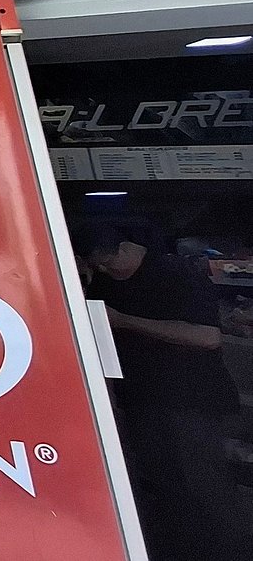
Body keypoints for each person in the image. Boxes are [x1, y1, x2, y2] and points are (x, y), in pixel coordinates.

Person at [76, 225, 247, 561]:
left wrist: (124, 321)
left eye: (109, 263)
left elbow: (207, 337)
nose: (107, 271)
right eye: (98, 267)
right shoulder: (105, 283)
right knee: (162, 488)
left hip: (190, 400)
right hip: (140, 399)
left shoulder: (176, 275)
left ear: (126, 248)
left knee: (204, 487)